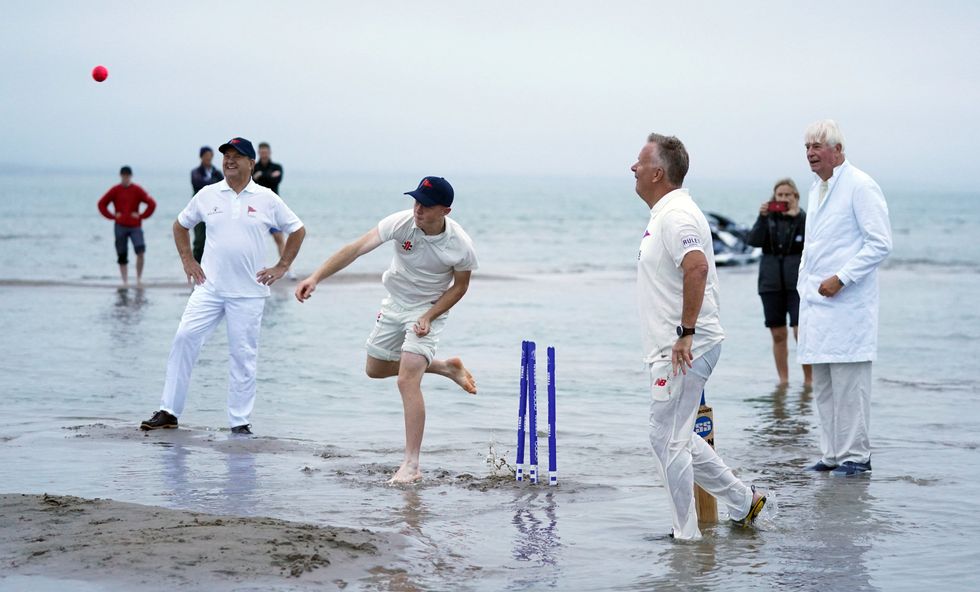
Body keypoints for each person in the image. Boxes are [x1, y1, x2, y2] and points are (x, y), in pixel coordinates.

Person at [295, 176, 478, 484]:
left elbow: (460, 288)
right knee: (375, 369)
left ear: (445, 210)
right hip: (395, 303)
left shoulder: (460, 245)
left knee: (407, 380)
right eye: (416, 201)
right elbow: (355, 249)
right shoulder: (401, 222)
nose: (418, 209)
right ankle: (446, 367)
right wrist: (316, 277)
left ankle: (411, 465)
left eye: (427, 205)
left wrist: (430, 316)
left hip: (429, 309)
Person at [631, 133, 765, 540]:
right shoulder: (665, 214)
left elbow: (697, 268)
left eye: (639, 163)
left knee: (665, 440)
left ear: (658, 173)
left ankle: (685, 536)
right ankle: (743, 501)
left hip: (688, 346)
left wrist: (685, 335)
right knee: (678, 437)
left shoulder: (677, 216)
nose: (632, 169)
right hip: (678, 345)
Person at [140, 137, 306, 435]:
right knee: (184, 338)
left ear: (251, 163)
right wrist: (188, 261)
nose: (229, 160)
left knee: (243, 355)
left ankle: (239, 422)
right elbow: (180, 225)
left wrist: (282, 266)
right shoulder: (207, 194)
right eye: (226, 156)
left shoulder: (267, 198)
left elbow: (297, 230)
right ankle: (169, 411)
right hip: (210, 288)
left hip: (249, 293)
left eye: (237, 156)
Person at [798, 120, 892, 476]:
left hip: (847, 304)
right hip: (816, 304)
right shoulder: (815, 189)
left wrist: (842, 278)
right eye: (807, 147)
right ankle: (832, 454)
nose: (810, 153)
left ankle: (856, 457)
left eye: (817, 146)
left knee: (850, 385)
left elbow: (880, 243)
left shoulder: (861, 186)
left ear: (838, 150)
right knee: (822, 383)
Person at [746, 178, 812, 387]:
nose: (783, 199)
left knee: (799, 331)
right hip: (770, 282)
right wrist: (762, 217)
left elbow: (815, 243)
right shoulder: (768, 218)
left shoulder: (804, 218)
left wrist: (797, 217)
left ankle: (809, 381)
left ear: (796, 197)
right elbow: (754, 241)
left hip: (797, 283)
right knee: (778, 334)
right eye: (779, 195)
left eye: (787, 195)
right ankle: (783, 381)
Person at [97, 166, 157, 286]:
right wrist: (112, 216)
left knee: (140, 251)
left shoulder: (137, 190)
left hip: (135, 226)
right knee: (122, 254)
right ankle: (125, 282)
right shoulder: (115, 190)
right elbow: (101, 204)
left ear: (130, 176)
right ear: (121, 176)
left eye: (127, 176)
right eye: (123, 176)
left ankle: (138, 279)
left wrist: (141, 216)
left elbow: (152, 204)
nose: (125, 178)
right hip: (120, 226)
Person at [252, 142, 292, 274]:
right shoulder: (253, 167)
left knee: (279, 238)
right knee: (255, 240)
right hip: (257, 208)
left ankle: (287, 268)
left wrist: (261, 176)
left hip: (273, 209)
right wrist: (268, 176)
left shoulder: (277, 167)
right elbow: (252, 182)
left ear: (269, 152)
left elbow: (276, 180)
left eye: (266, 151)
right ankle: (256, 268)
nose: (264, 154)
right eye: (261, 152)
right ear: (258, 153)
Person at [190, 146, 224, 263]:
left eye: (210, 155)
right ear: (201, 157)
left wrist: (210, 184)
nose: (208, 157)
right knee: (199, 241)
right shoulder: (195, 172)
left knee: (215, 239)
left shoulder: (217, 172)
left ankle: (212, 268)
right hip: (199, 208)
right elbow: (198, 183)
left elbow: (224, 185)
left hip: (215, 207)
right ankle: (196, 268)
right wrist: (212, 184)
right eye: (206, 155)